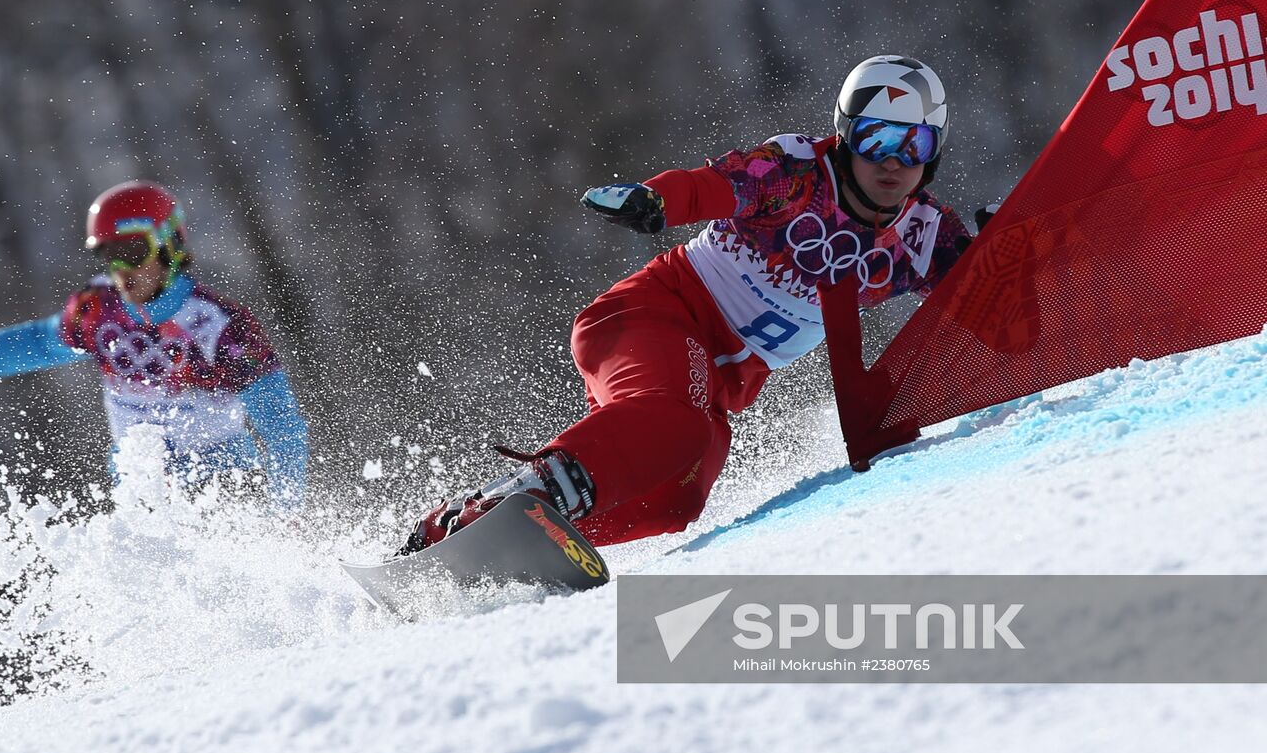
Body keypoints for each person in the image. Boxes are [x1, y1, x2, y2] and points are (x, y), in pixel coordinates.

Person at [403, 55, 985, 552]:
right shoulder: (797, 171)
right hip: (649, 318)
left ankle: (505, 534)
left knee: (675, 499)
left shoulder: (925, 239)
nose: (892, 161)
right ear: (846, 134)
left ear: (933, 156)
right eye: (876, 138)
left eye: (915, 145)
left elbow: (1001, 312)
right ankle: (516, 499)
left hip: (711, 389)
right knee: (674, 428)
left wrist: (1008, 244)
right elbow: (712, 187)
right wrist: (656, 200)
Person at [0, 181, 309, 510]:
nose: (121, 269)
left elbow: (280, 421)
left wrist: (284, 508)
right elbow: (36, 344)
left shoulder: (216, 324)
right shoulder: (99, 309)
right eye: (109, 255)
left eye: (133, 250)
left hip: (223, 484)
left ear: (169, 244)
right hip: (142, 492)